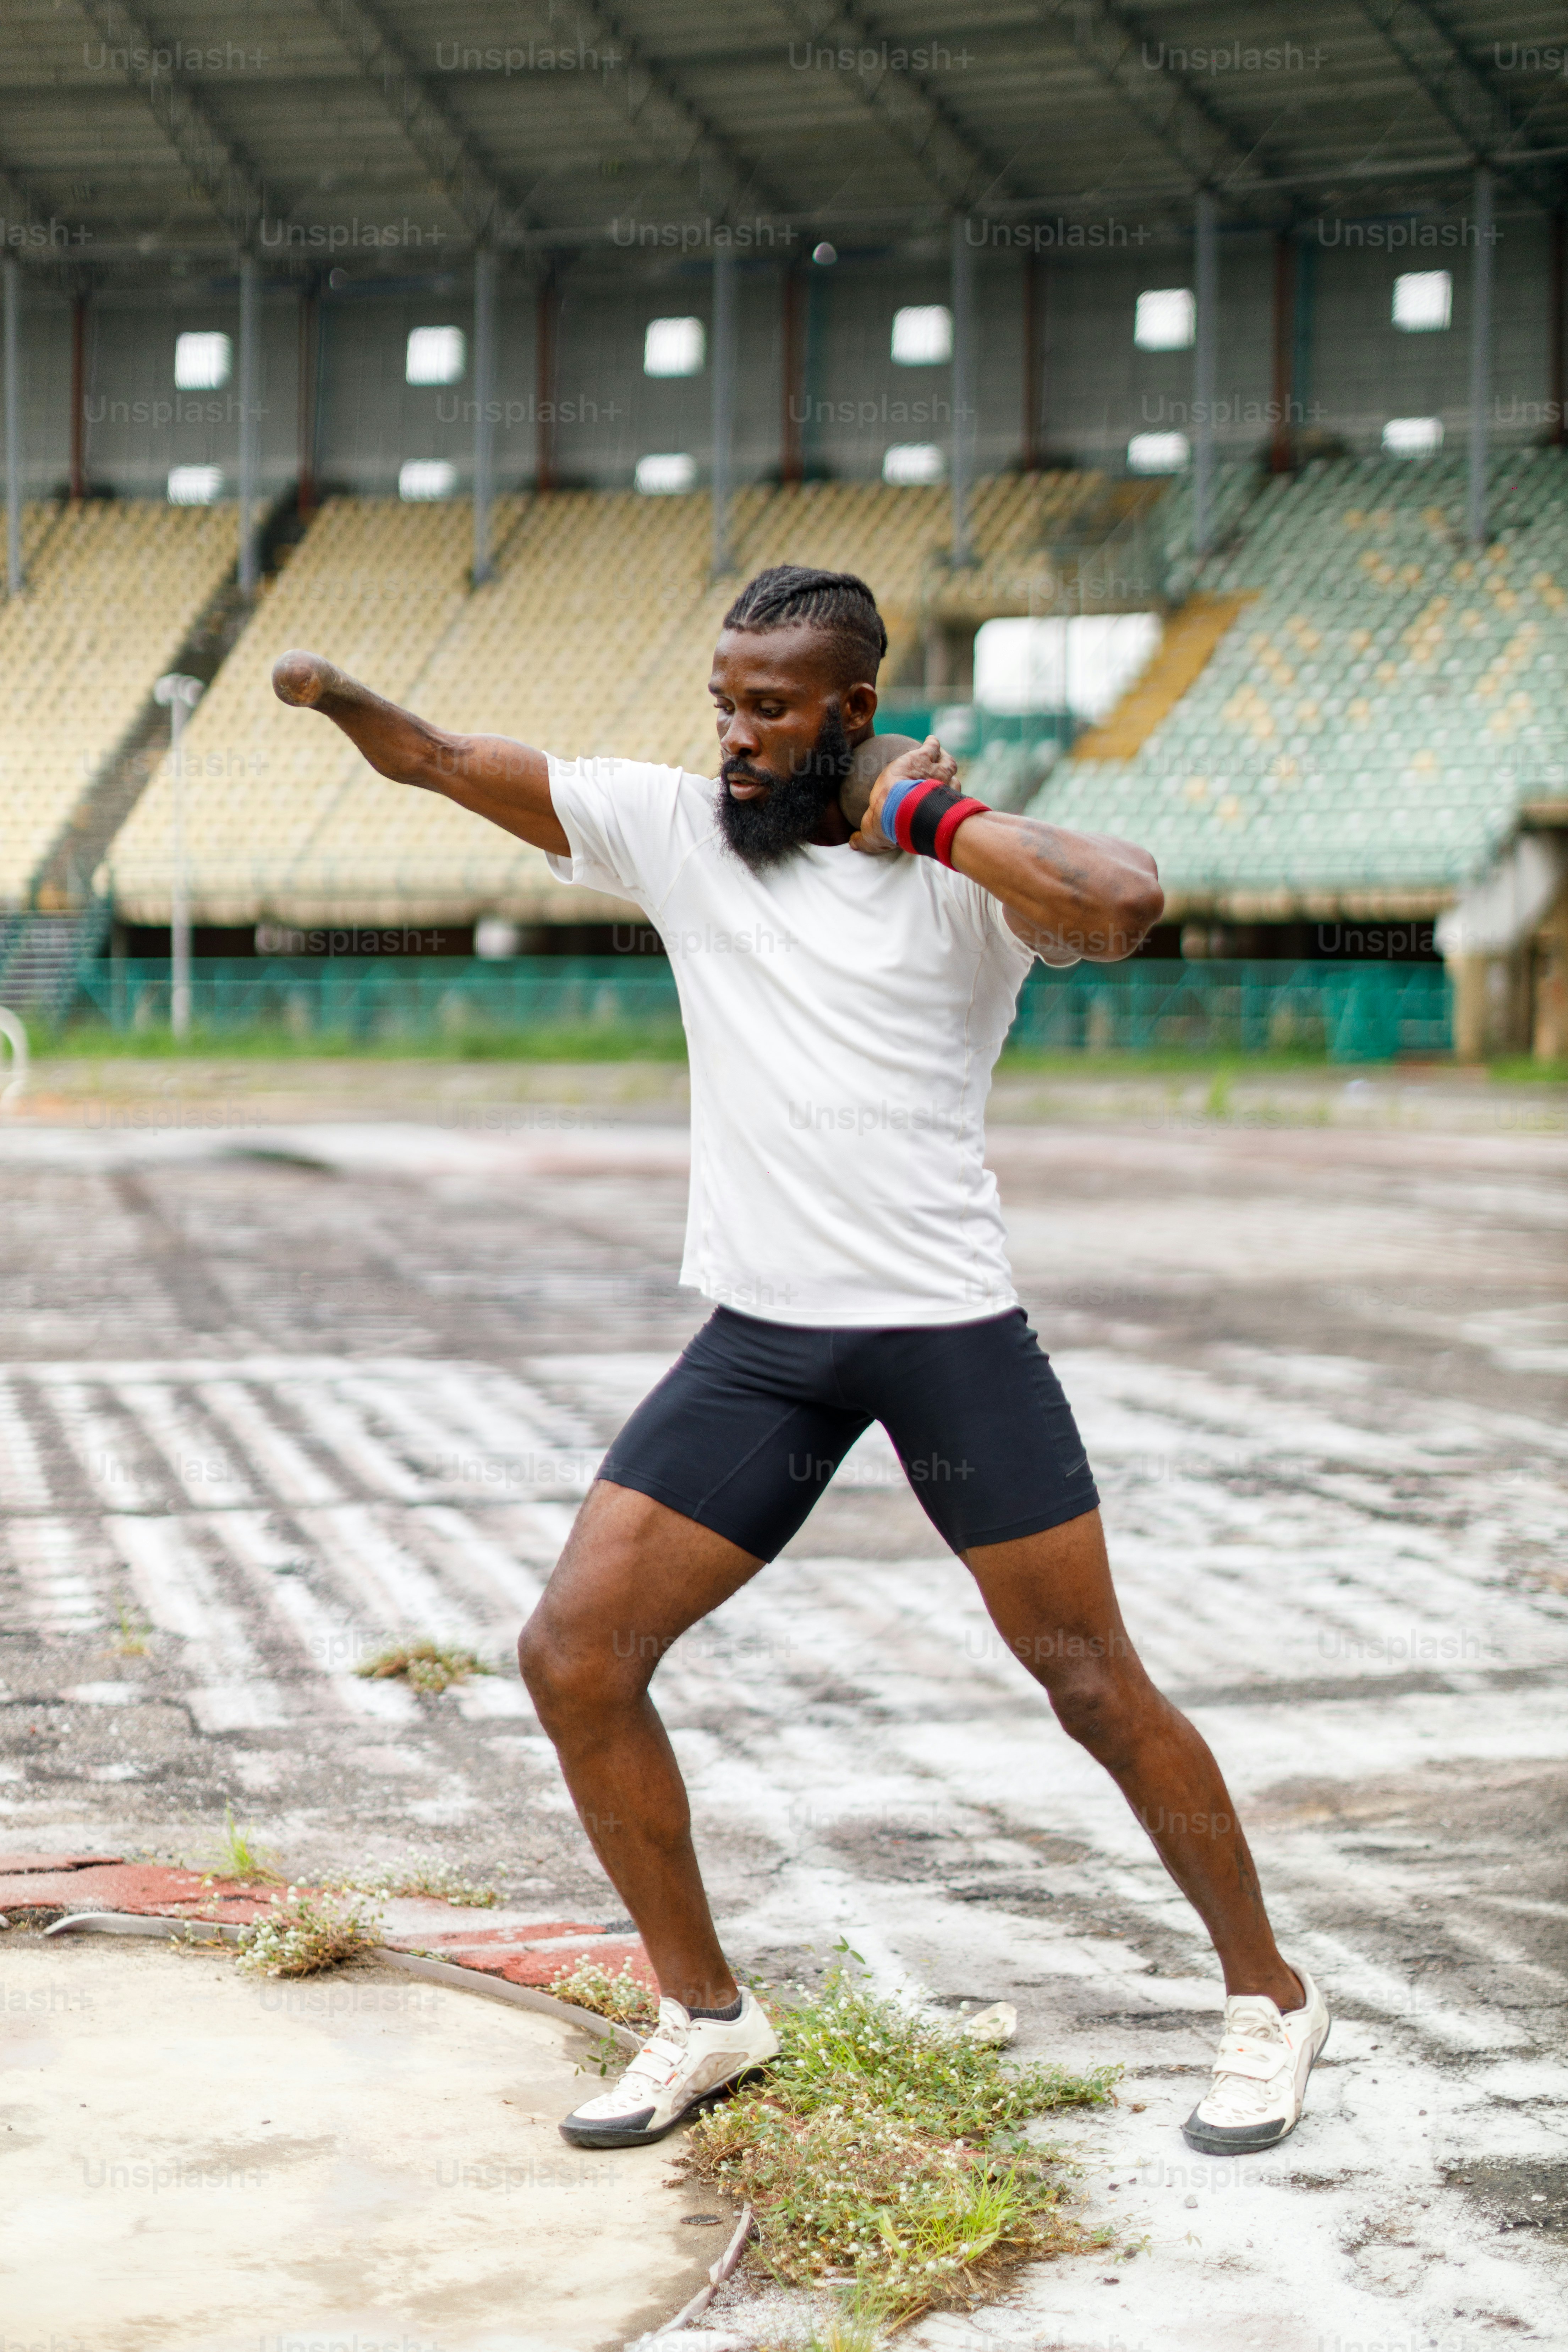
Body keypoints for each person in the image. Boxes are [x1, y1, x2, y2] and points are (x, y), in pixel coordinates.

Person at [273, 563, 1329, 2159]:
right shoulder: (677, 833)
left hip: (944, 1337)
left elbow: (1120, 903)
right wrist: (341, 696)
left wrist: (936, 820)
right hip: (767, 1344)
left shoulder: (966, 877)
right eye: (724, 702)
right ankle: (706, 2015)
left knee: (1087, 1680)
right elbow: (434, 755)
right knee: (574, 1653)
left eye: (770, 711)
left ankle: (1271, 1997)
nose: (736, 737)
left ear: (854, 714)